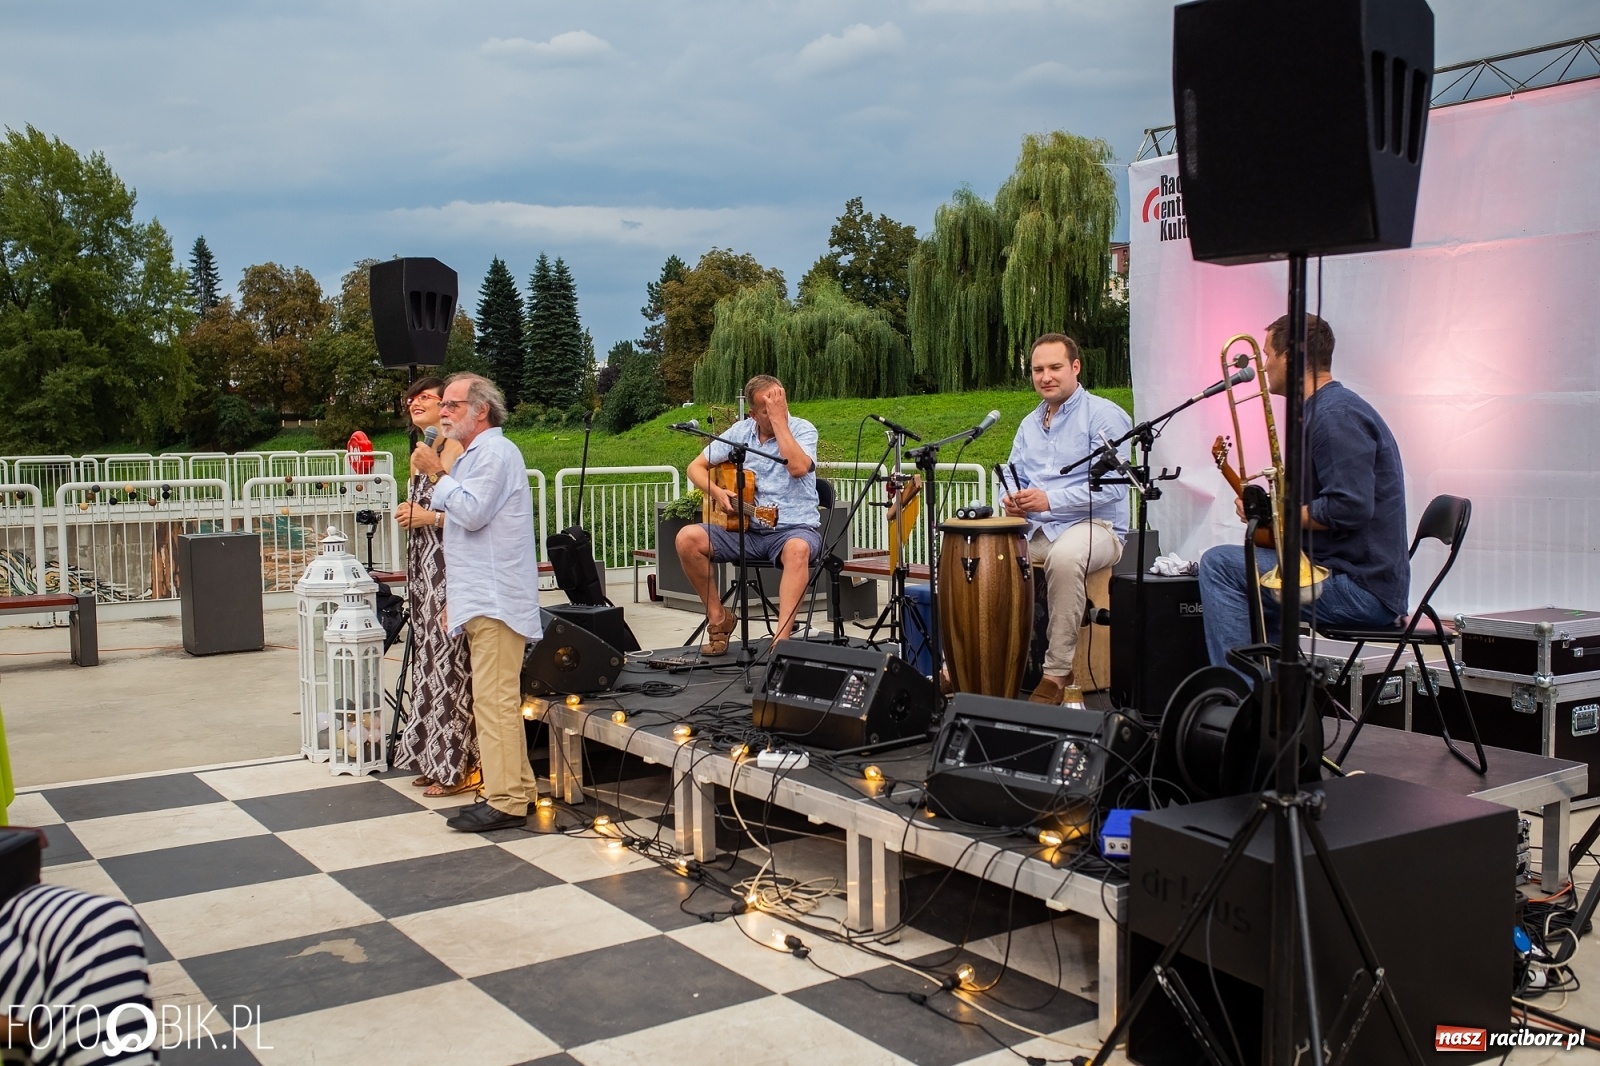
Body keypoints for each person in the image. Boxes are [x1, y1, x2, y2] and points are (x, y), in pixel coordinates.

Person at [1197, 314, 1409, 667]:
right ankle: (1272, 689)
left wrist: (1280, 514)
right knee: (1253, 572)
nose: (1264, 366)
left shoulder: (1334, 415)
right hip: (1345, 573)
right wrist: (1270, 512)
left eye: (1268, 355)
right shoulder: (1325, 410)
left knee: (1219, 565)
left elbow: (1349, 508)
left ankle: (1242, 691)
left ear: (1291, 356)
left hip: (1360, 588)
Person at [410, 374, 542, 833]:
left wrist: (436, 473)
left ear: (481, 410)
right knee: (493, 700)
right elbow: (465, 530)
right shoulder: (475, 455)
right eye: (443, 405)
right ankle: (518, 790)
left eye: (452, 404)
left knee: (495, 702)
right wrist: (457, 597)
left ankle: (506, 801)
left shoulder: (496, 453)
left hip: (497, 597)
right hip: (482, 594)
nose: (443, 412)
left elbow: (471, 513)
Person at [1001, 334, 1132, 705]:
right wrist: (1010, 501)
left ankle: (1057, 673)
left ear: (1076, 367)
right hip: (1040, 529)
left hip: (1098, 528)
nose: (1045, 377)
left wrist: (1049, 500)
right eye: (1038, 369)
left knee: (1065, 556)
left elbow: (1115, 487)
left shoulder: (1104, 415)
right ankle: (969, 666)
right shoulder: (1029, 423)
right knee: (986, 557)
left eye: (1055, 367)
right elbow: (1012, 477)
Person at [676, 375, 820, 653]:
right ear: (752, 414)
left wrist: (779, 422)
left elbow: (798, 468)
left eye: (781, 403)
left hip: (794, 529)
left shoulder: (803, 429)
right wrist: (717, 493)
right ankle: (719, 618)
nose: (778, 411)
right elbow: (695, 468)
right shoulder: (740, 432)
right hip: (746, 530)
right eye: (768, 409)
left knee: (798, 549)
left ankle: (781, 642)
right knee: (687, 538)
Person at [392, 377, 479, 798]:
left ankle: (461, 763)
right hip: (423, 568)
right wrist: (408, 511)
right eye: (411, 398)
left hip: (451, 564)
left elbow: (470, 513)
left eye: (425, 397)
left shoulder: (457, 451)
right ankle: (431, 755)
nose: (415, 403)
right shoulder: (420, 454)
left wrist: (430, 518)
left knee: (451, 661)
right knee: (427, 660)